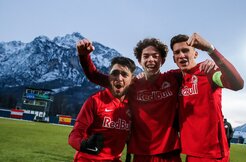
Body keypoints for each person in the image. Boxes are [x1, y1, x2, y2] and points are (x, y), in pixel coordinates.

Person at [77, 38, 215, 162]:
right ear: (140, 61)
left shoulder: (174, 78)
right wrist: (84, 56)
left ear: (162, 60)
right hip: (141, 154)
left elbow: (191, 68)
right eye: (146, 56)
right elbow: (95, 76)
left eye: (156, 56)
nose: (151, 60)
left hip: (169, 154)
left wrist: (207, 63)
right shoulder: (132, 84)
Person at [170, 33, 244, 162]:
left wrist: (211, 50)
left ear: (196, 54)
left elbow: (237, 84)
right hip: (190, 152)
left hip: (212, 154)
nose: (181, 55)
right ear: (174, 58)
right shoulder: (175, 79)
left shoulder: (208, 71)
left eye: (186, 50)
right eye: (177, 52)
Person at [68, 56, 136, 162]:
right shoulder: (95, 101)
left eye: (124, 74)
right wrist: (83, 145)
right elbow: (74, 135)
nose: (119, 78)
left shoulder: (133, 106)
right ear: (109, 77)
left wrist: (129, 155)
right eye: (115, 73)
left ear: (132, 80)